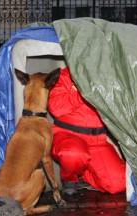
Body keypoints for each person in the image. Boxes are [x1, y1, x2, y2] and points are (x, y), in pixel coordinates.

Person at [48, 67, 126, 195]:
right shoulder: (65, 75)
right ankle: (69, 179)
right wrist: (84, 92)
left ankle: (83, 172)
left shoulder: (112, 74)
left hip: (98, 141)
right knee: (73, 153)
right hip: (67, 135)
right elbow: (56, 108)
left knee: (118, 184)